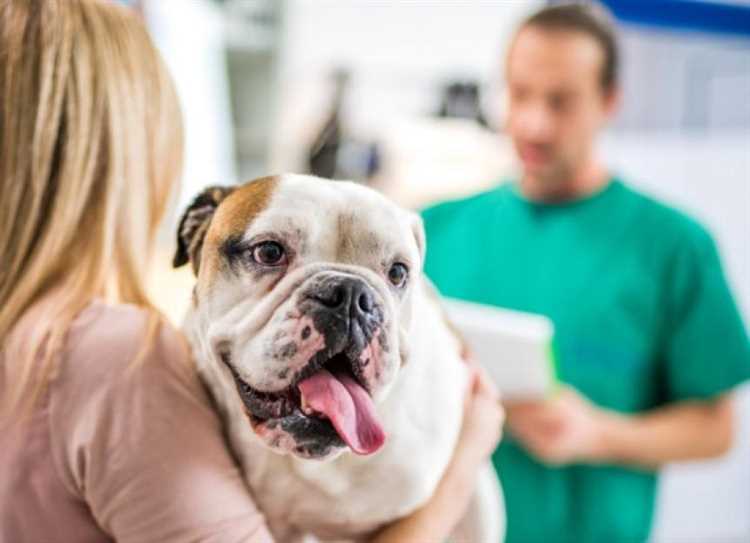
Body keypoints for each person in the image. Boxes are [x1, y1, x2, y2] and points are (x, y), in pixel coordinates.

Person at [0, 1, 503, 542]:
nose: (344, 304)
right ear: (135, 160)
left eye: (396, 275)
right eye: (269, 254)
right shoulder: (118, 358)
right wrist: (468, 453)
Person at [421, 3, 750, 543]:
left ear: (609, 101)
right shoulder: (434, 231)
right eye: (519, 93)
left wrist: (597, 433)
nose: (533, 123)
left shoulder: (672, 247)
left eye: (561, 101)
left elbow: (716, 430)